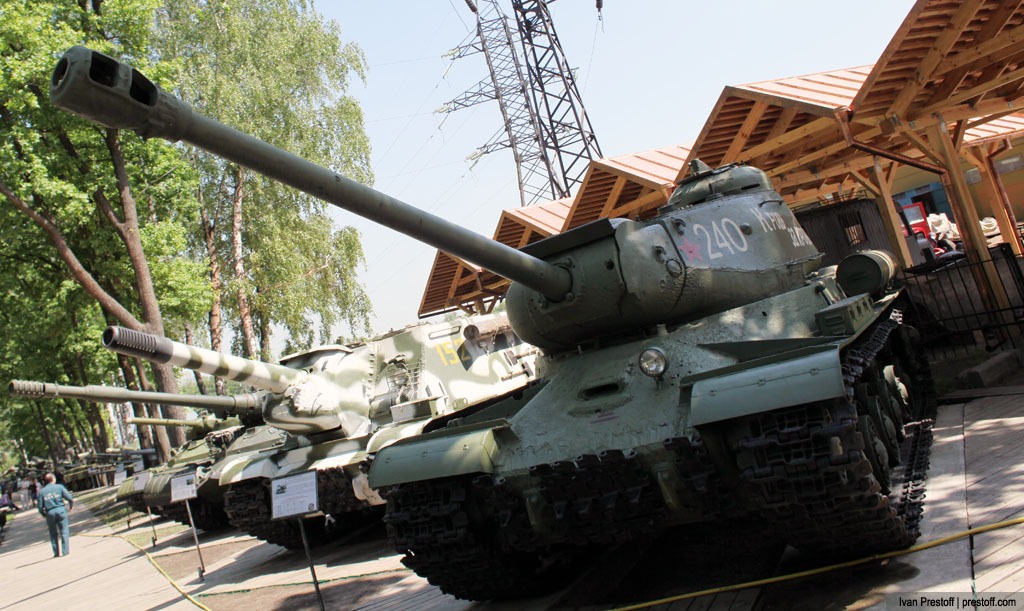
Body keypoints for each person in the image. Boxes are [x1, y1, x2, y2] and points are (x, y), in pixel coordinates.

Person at [37, 473, 74, 557]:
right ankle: (65, 551)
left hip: (50, 512)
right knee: (64, 530)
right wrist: (71, 506)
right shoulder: (59, 487)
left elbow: (40, 507)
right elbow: (69, 498)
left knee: (53, 533)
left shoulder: (42, 492)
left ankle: (56, 552)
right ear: (53, 479)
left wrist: (44, 514)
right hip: (60, 510)